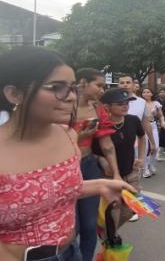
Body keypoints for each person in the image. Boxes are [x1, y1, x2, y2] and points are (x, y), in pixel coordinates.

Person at [0, 46, 134, 261]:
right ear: (15, 94)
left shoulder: (68, 136)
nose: (71, 97)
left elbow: (56, 190)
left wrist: (101, 185)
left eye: (72, 88)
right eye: (57, 87)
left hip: (71, 253)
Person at [73, 68, 119, 261]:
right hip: (65, 168)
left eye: (104, 86)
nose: (102, 90)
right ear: (83, 83)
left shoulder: (98, 109)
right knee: (70, 225)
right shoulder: (62, 106)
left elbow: (107, 144)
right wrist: (80, 136)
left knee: (90, 224)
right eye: (99, 85)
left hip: (89, 166)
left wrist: (116, 174)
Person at [94, 88, 147, 224]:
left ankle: (111, 236)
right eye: (120, 103)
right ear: (107, 107)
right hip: (108, 176)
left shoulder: (133, 120)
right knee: (111, 212)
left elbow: (142, 137)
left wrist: (141, 157)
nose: (125, 106)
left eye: (127, 103)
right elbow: (88, 150)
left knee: (131, 210)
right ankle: (110, 240)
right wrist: (101, 159)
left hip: (131, 173)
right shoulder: (99, 126)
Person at [117, 76, 156, 151]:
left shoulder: (141, 102)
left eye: (128, 82)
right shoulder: (112, 101)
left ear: (133, 85)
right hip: (117, 141)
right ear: (118, 85)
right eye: (122, 83)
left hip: (136, 142)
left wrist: (152, 142)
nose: (125, 85)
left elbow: (146, 123)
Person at [141, 87, 165, 178]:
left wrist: (162, 121)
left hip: (153, 126)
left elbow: (161, 115)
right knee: (146, 148)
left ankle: (150, 164)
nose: (146, 94)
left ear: (152, 94)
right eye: (144, 92)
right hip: (142, 127)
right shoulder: (140, 103)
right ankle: (145, 169)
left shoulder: (156, 104)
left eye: (148, 92)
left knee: (155, 147)